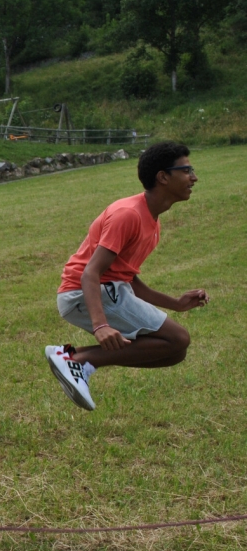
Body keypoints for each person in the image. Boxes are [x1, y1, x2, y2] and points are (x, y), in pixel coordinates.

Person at [45, 141, 208, 411]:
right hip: (83, 294)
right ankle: (76, 361)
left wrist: (177, 304)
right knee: (177, 339)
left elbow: (128, 278)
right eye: (186, 170)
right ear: (163, 177)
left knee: (173, 353)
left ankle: (75, 358)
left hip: (109, 288)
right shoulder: (128, 215)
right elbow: (90, 273)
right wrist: (100, 326)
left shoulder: (151, 220)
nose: (194, 177)